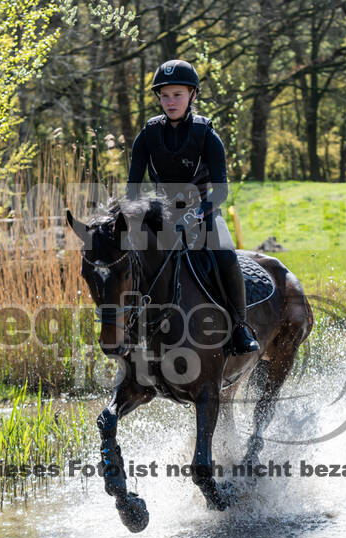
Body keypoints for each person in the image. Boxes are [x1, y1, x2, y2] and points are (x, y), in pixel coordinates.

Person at [126, 59, 259, 354]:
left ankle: (240, 327)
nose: (170, 102)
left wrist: (195, 214)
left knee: (225, 254)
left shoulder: (207, 136)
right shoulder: (146, 136)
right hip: (162, 215)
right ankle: (129, 325)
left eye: (177, 95)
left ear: (193, 96)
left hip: (205, 211)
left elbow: (221, 190)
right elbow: (132, 188)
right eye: (164, 95)